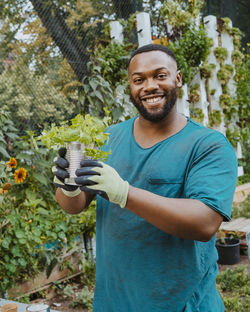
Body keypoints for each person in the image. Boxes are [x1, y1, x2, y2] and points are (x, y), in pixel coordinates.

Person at [53, 44, 238, 312]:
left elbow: (205, 222)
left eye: (159, 75)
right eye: (139, 79)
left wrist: (124, 193)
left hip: (180, 304)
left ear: (178, 78)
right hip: (113, 302)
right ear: (130, 86)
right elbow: (74, 206)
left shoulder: (208, 145)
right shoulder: (109, 137)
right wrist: (68, 186)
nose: (149, 86)